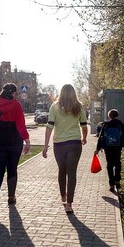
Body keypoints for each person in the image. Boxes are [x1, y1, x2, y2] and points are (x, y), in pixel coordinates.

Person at [42, 84, 88, 213]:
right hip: (74, 143)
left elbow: (49, 126)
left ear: (61, 93)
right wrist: (84, 138)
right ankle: (69, 204)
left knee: (62, 170)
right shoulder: (78, 106)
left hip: (59, 145)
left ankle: (63, 195)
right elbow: (84, 126)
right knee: (71, 172)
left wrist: (45, 146)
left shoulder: (54, 106)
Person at [0, 83, 31, 212]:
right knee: (12, 169)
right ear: (13, 93)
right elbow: (21, 125)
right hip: (14, 141)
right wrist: (26, 140)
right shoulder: (16, 105)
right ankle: (11, 197)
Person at [95, 108, 124, 193]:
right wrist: (122, 144)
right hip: (117, 148)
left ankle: (111, 185)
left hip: (108, 148)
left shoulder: (106, 125)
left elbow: (100, 137)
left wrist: (97, 149)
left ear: (109, 116)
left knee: (109, 165)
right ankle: (117, 181)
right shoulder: (120, 124)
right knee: (118, 163)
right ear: (117, 116)